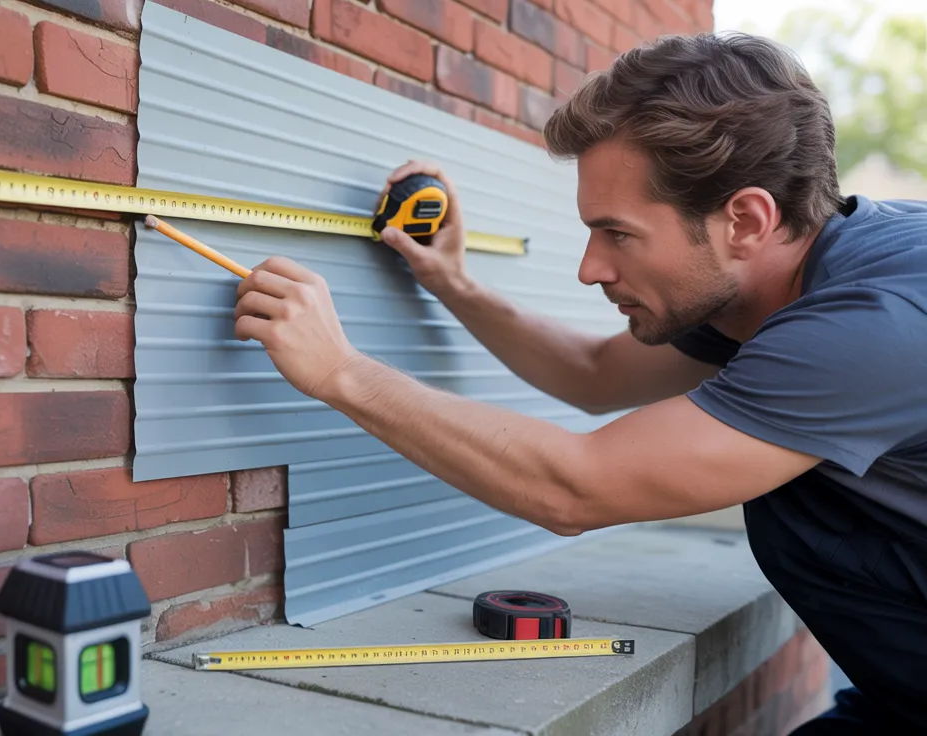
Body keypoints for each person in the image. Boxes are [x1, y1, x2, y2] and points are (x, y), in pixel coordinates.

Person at [230, 31, 927, 734]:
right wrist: (453, 282)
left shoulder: (876, 327)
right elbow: (594, 374)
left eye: (617, 233)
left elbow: (576, 487)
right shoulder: (778, 283)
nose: (589, 269)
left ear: (745, 219)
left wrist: (344, 373)